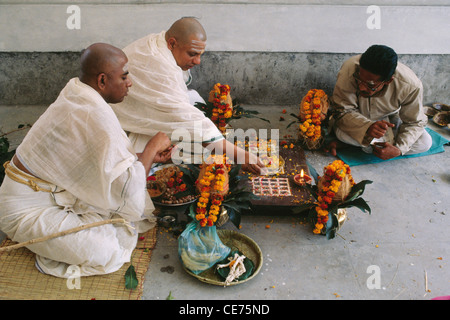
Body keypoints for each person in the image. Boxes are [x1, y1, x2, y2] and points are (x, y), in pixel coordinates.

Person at [0, 43, 172, 278]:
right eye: (124, 77)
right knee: (110, 251)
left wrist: (142, 157)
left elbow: (95, 163)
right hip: (26, 211)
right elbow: (129, 190)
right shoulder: (92, 111)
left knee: (120, 219)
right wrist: (151, 148)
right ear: (102, 81)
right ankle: (51, 255)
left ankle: (66, 239)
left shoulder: (78, 90)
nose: (129, 82)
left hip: (56, 194)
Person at [111, 17, 264, 173]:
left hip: (143, 109)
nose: (197, 61)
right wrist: (238, 154)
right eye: (192, 54)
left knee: (194, 99)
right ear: (171, 43)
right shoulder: (158, 65)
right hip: (125, 129)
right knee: (198, 149)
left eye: (200, 54)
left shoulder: (159, 42)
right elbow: (186, 118)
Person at [326, 44, 432, 160]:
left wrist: (399, 149)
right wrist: (367, 127)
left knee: (425, 142)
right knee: (342, 135)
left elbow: (415, 122)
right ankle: (367, 145)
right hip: (356, 120)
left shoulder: (410, 85)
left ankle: (368, 147)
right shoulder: (350, 69)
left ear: (388, 81)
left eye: (370, 85)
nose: (361, 88)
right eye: (359, 80)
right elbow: (342, 111)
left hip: (388, 120)